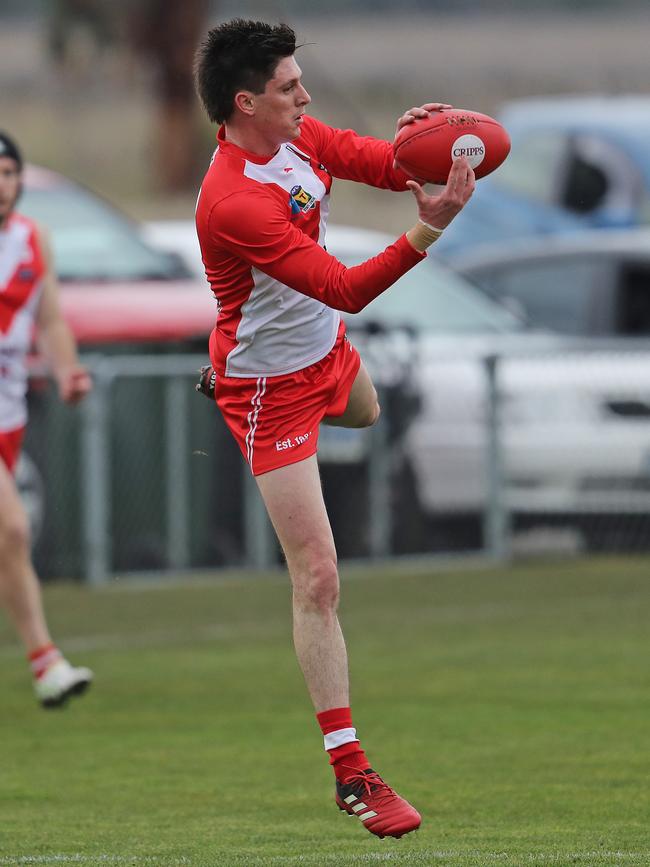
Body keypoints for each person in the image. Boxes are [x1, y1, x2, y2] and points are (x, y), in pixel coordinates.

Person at [193, 19, 474, 838]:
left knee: (367, 411)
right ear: (246, 103)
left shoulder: (299, 135)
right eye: (288, 88)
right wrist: (431, 228)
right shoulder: (233, 199)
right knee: (318, 576)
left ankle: (235, 373)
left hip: (328, 359)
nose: (305, 97)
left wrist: (440, 146)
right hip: (269, 389)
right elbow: (346, 287)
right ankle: (353, 775)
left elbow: (379, 162)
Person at [0, 131, 94, 708]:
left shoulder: (34, 240)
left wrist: (67, 371)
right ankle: (47, 661)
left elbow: (52, 319)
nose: (3, 186)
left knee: (6, 544)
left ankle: (43, 664)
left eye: (10, 174)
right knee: (12, 530)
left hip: (10, 418)